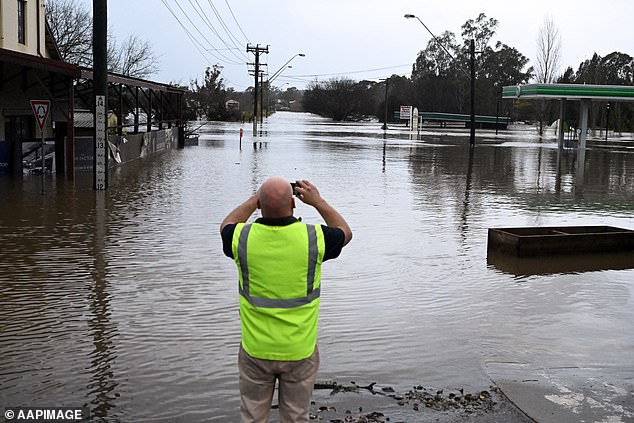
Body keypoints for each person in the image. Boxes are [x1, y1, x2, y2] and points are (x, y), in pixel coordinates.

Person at [220, 177, 352, 423]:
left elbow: (226, 225)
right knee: (295, 417)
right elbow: (345, 232)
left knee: (251, 416)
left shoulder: (242, 238)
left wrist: (253, 201)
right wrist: (317, 202)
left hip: (255, 349)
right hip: (299, 350)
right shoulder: (314, 238)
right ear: (293, 203)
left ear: (260, 204)